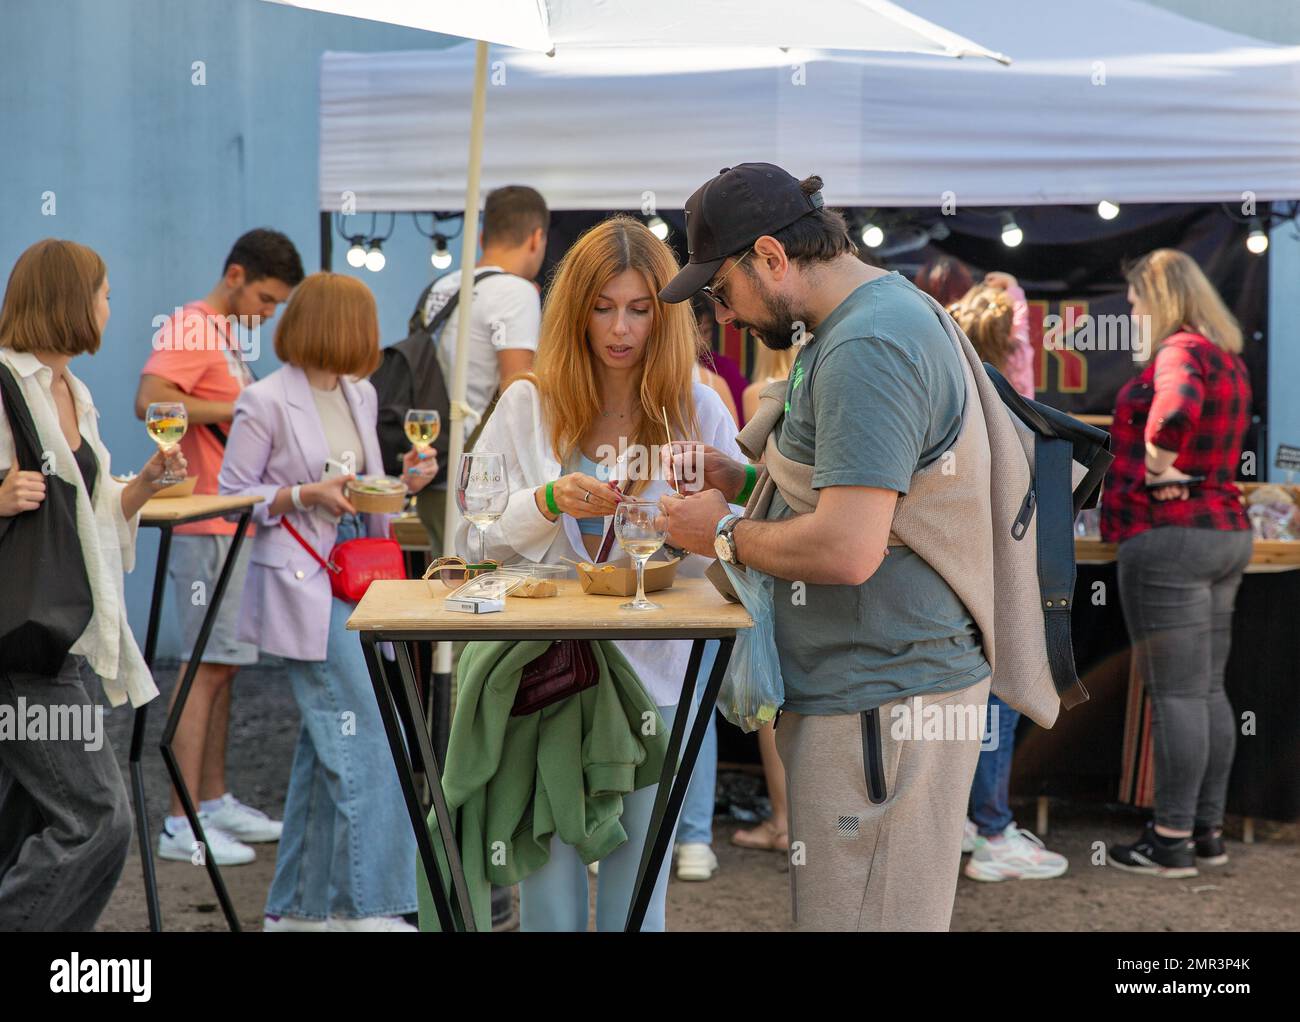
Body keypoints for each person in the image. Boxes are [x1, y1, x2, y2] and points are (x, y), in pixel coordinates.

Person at [657, 163, 995, 931]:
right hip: (874, 692)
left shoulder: (868, 344)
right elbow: (863, 499)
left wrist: (716, 534)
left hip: (882, 698)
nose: (725, 315)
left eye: (722, 290)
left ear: (772, 256)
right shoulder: (862, 323)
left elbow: (848, 549)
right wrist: (743, 482)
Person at [452, 216, 744, 929]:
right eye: (603, 307)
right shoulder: (529, 403)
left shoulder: (696, 406)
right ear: (574, 310)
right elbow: (470, 537)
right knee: (547, 890)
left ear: (666, 314)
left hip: (654, 672)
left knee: (636, 893)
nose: (621, 329)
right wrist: (546, 501)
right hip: (544, 671)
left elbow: (732, 545)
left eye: (641, 310)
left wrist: (699, 527)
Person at [219, 272, 437, 930]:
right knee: (372, 737)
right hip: (302, 580)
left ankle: (296, 911)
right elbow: (234, 497)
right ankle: (376, 906)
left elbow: (368, 492)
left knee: (328, 746)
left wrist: (406, 481)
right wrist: (299, 496)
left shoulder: (360, 393)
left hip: (354, 572)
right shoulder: (263, 400)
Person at [0, 239, 186, 930]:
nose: (112, 306)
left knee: (29, 827)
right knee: (97, 818)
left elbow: (87, 511)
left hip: (59, 636)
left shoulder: (70, 391)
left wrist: (141, 487)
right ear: (72, 301)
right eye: (105, 294)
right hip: (22, 643)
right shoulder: (5, 385)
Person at [136, 228, 304, 867]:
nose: (269, 313)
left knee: (223, 664)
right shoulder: (192, 326)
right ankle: (180, 820)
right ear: (235, 275)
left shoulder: (223, 335)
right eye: (265, 298)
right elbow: (150, 400)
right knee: (202, 667)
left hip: (232, 522)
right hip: (205, 522)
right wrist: (242, 404)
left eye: (277, 306)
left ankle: (210, 801)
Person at [1101, 249, 1252, 878]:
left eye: (1137, 301)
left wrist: (1160, 465)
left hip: (1170, 539)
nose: (1132, 311)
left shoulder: (1180, 351)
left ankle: (1169, 843)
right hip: (1223, 534)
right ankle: (1205, 833)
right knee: (1206, 690)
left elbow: (1174, 411)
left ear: (1160, 298)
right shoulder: (1227, 356)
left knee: (1178, 697)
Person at [947, 284, 1068, 882]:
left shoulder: (957, 401)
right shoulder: (1005, 409)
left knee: (979, 700)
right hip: (1001, 577)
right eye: (1020, 341)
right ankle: (992, 831)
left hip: (964, 580)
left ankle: (973, 824)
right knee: (1001, 697)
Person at [415, 185, 549, 548]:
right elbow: (518, 388)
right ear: (536, 238)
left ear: (482, 235)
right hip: (475, 478)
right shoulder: (515, 291)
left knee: (442, 581)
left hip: (429, 466)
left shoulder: (442, 286)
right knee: (473, 583)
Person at [728, 338, 797, 854]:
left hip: (775, 558)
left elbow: (761, 485)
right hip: (804, 566)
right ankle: (806, 826)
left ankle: (783, 822)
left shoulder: (761, 393)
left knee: (772, 701)